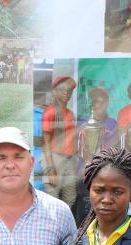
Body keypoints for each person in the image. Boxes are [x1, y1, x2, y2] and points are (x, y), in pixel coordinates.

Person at [41, 75, 78, 205]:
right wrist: (50, 169)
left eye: (69, 90)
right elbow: (45, 143)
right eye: (62, 89)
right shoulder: (50, 112)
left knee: (71, 198)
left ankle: (64, 224)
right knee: (52, 200)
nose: (66, 93)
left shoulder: (70, 113)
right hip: (54, 158)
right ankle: (53, 226)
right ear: (54, 91)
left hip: (69, 159)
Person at [78, 87, 119, 159]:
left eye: (102, 102)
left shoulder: (113, 123)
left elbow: (116, 147)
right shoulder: (83, 121)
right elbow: (80, 146)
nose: (98, 105)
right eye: (95, 101)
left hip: (106, 164)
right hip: (85, 164)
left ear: (107, 103)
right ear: (91, 103)